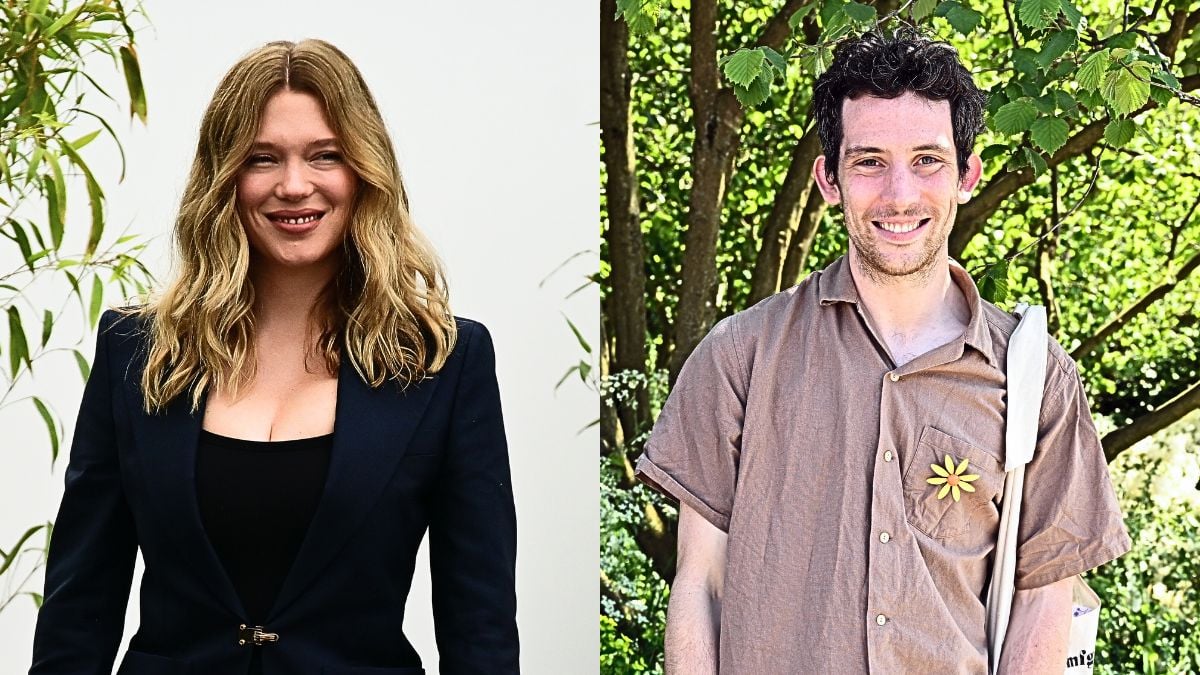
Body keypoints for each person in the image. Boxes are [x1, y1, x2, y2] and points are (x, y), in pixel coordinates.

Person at [635, 29, 1130, 674]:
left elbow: (1044, 605)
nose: (900, 194)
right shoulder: (739, 358)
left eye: (927, 159)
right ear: (828, 179)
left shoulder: (1035, 378)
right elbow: (700, 585)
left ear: (966, 175)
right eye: (869, 160)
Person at [30, 39, 518, 675]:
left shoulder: (444, 362)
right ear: (224, 177)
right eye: (262, 159)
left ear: (365, 172)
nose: (294, 185)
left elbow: (478, 623)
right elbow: (80, 608)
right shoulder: (136, 350)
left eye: (325, 156)